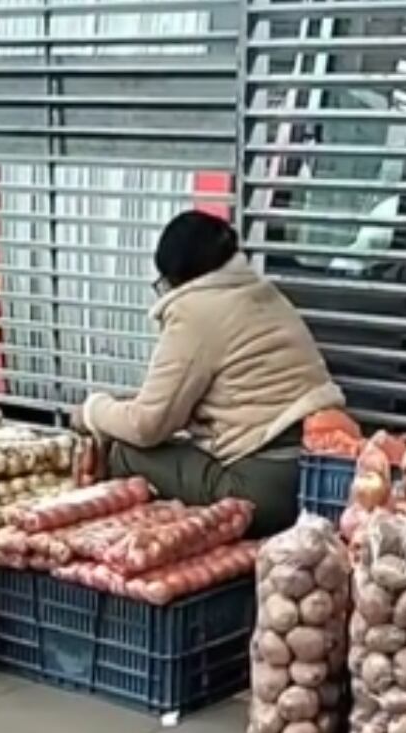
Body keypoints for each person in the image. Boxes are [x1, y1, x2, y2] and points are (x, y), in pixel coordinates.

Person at [76, 211, 345, 538]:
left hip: (260, 491)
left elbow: (146, 425)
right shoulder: (263, 293)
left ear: (174, 276)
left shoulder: (195, 312)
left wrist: (93, 410)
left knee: (127, 452)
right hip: (322, 477)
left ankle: (116, 538)